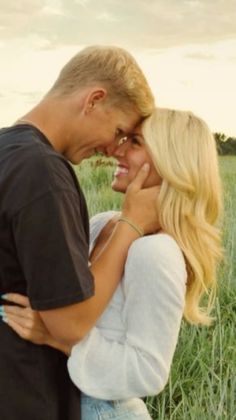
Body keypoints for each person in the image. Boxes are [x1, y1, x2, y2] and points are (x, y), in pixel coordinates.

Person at [0, 108, 223, 419]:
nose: (117, 150)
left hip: (107, 412)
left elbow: (148, 372)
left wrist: (57, 338)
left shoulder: (155, 253)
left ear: (170, 161)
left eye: (134, 142)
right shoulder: (104, 223)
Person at [0, 45, 159, 420]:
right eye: (119, 131)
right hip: (23, 394)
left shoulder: (6, 150)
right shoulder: (42, 172)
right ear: (94, 100)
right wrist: (131, 224)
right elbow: (69, 324)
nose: (111, 148)